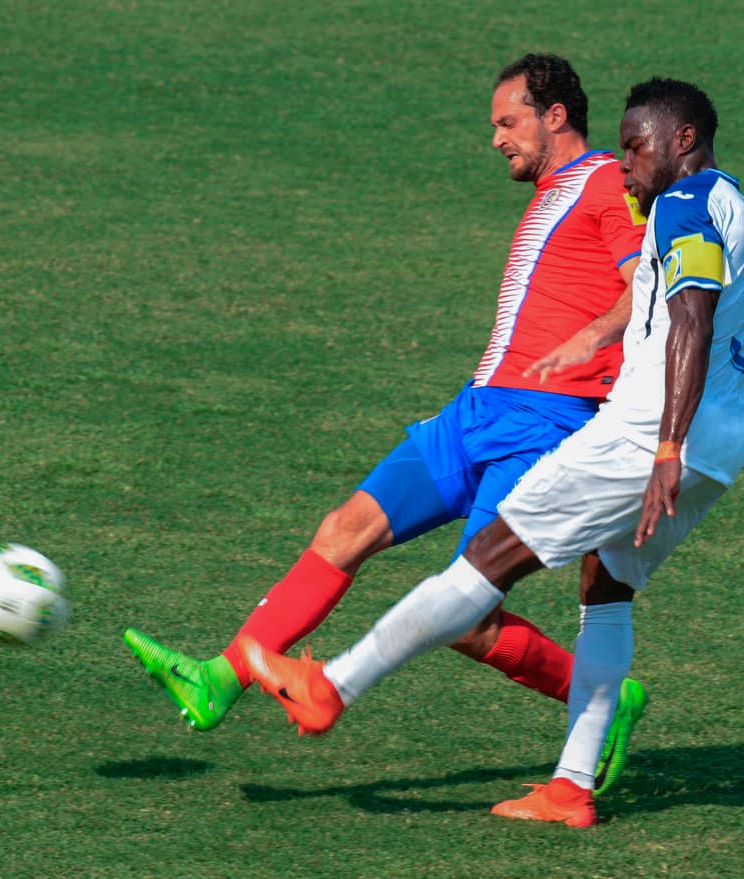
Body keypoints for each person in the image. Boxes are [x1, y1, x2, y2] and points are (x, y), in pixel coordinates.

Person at [239, 77, 744, 828]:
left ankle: (332, 683)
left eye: (636, 147)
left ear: (684, 140)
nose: (623, 165)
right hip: (721, 450)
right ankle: (570, 788)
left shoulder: (685, 205)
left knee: (485, 562)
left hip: (649, 436)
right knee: (605, 588)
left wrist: (662, 445)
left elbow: (689, 319)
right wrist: (607, 346)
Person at [124, 53, 650, 793]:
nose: (496, 139)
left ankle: (597, 695)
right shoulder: (553, 192)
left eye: (508, 122)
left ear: (554, 115)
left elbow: (646, 289)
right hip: (474, 412)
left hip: (544, 423)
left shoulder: (605, 186)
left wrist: (595, 338)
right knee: (344, 529)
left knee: (465, 614)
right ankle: (220, 676)